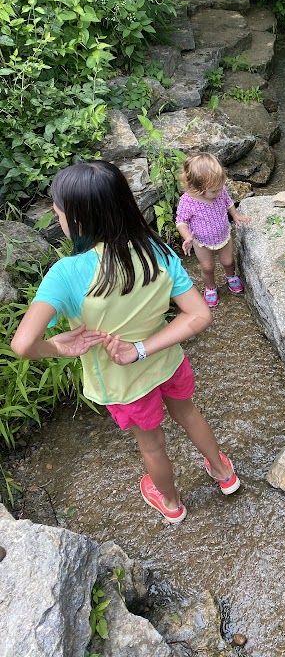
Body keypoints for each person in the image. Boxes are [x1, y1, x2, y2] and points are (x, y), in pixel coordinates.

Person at [11, 160, 240, 524]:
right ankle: (224, 474)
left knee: (152, 445)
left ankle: (172, 503)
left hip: (123, 384)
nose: (58, 221)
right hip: (167, 362)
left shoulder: (67, 273)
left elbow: (23, 344)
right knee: (189, 415)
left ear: (78, 219)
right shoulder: (158, 252)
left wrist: (56, 348)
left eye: (59, 214)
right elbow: (199, 316)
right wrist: (142, 349)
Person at [176, 153, 251, 308]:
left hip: (223, 235)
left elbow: (228, 202)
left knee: (228, 261)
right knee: (207, 267)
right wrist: (186, 237)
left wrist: (235, 214)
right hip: (201, 241)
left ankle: (231, 276)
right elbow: (181, 221)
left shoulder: (219, 190)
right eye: (214, 191)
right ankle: (210, 288)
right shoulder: (188, 201)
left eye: (219, 188)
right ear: (198, 189)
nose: (219, 192)